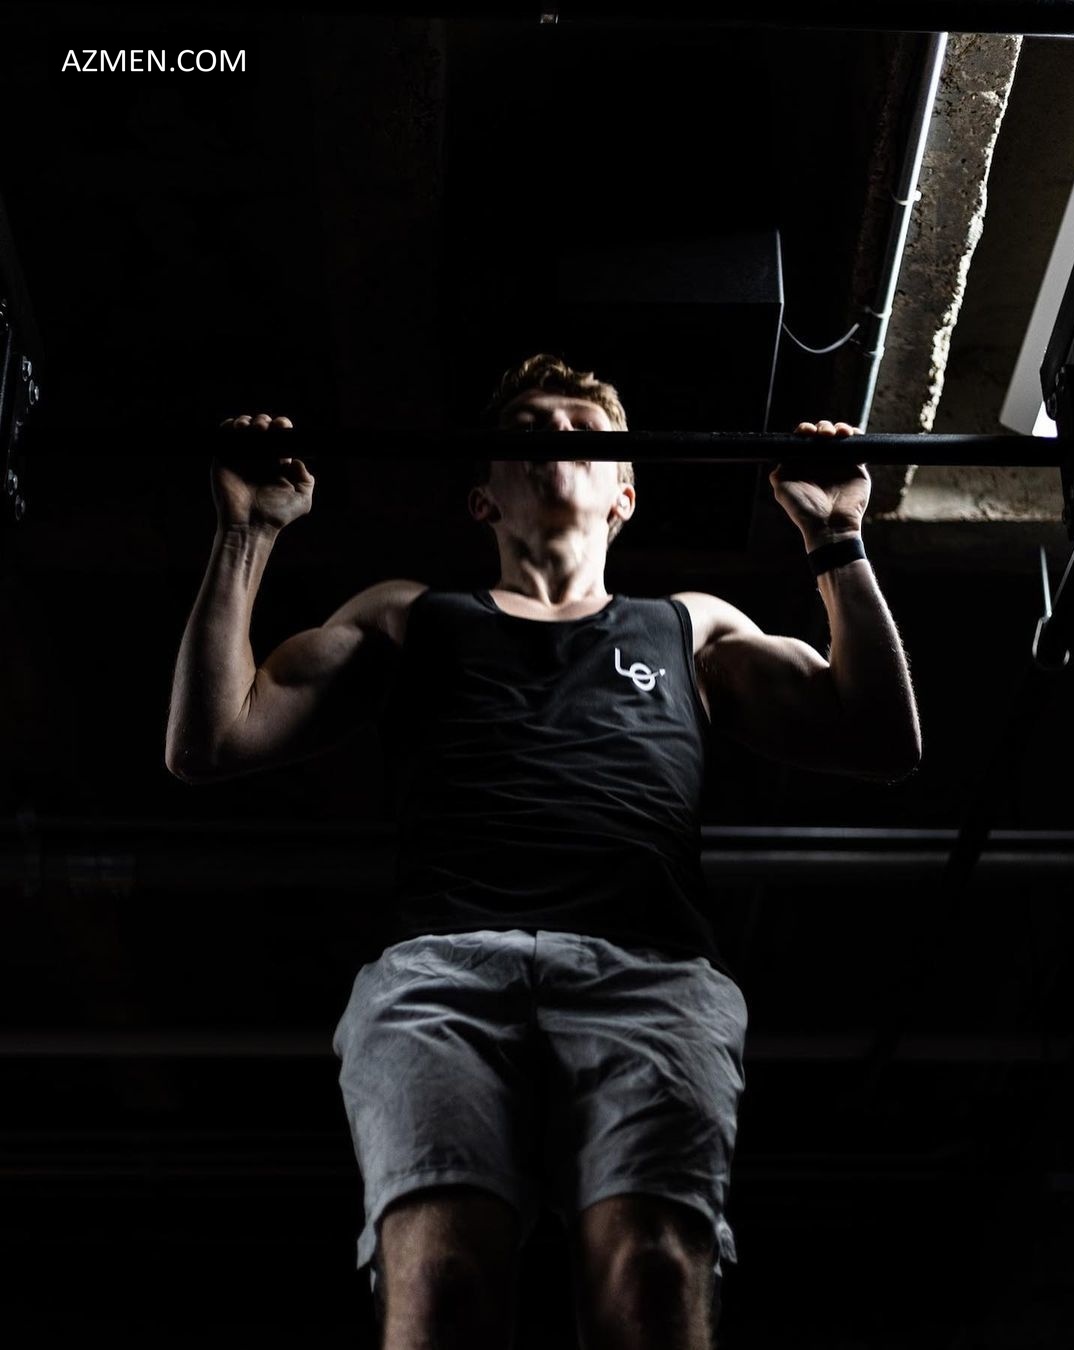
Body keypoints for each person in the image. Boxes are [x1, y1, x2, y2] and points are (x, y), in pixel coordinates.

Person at [165, 353, 921, 1350]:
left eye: (583, 428)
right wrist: (247, 531)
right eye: (529, 426)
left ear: (625, 494)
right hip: (441, 973)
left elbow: (881, 739)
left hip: (649, 975)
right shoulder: (407, 615)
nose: (557, 434)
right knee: (441, 1287)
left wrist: (835, 538)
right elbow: (212, 739)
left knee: (653, 1282)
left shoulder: (689, 627)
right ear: (484, 495)